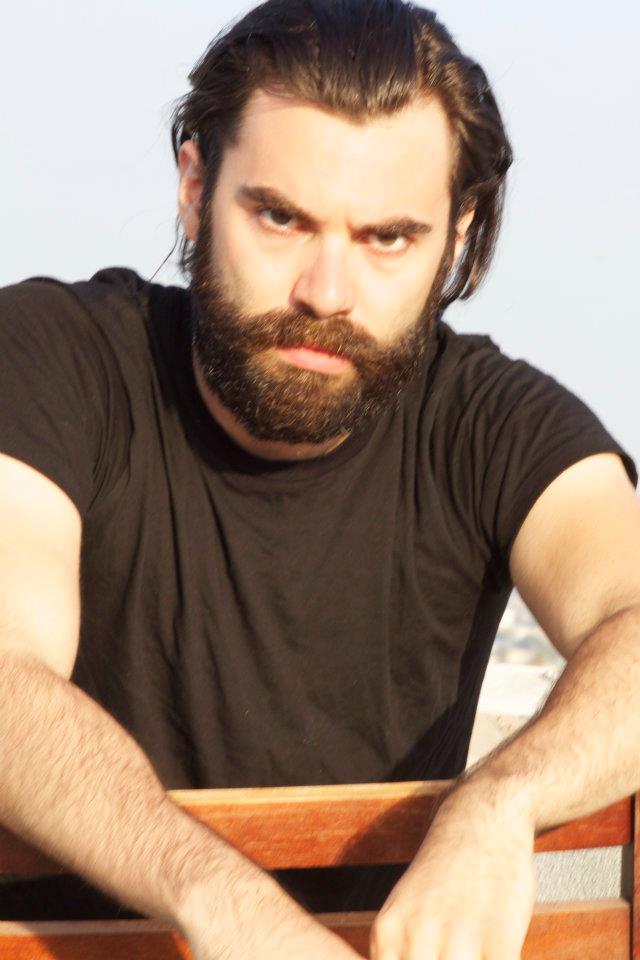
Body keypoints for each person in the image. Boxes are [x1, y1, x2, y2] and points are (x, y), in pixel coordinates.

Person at [0, 0, 638, 957]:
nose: (326, 293)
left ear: (455, 237)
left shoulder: (491, 419)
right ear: (193, 186)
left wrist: (502, 803)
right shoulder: (53, 359)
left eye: (388, 238)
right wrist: (217, 898)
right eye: (280, 217)